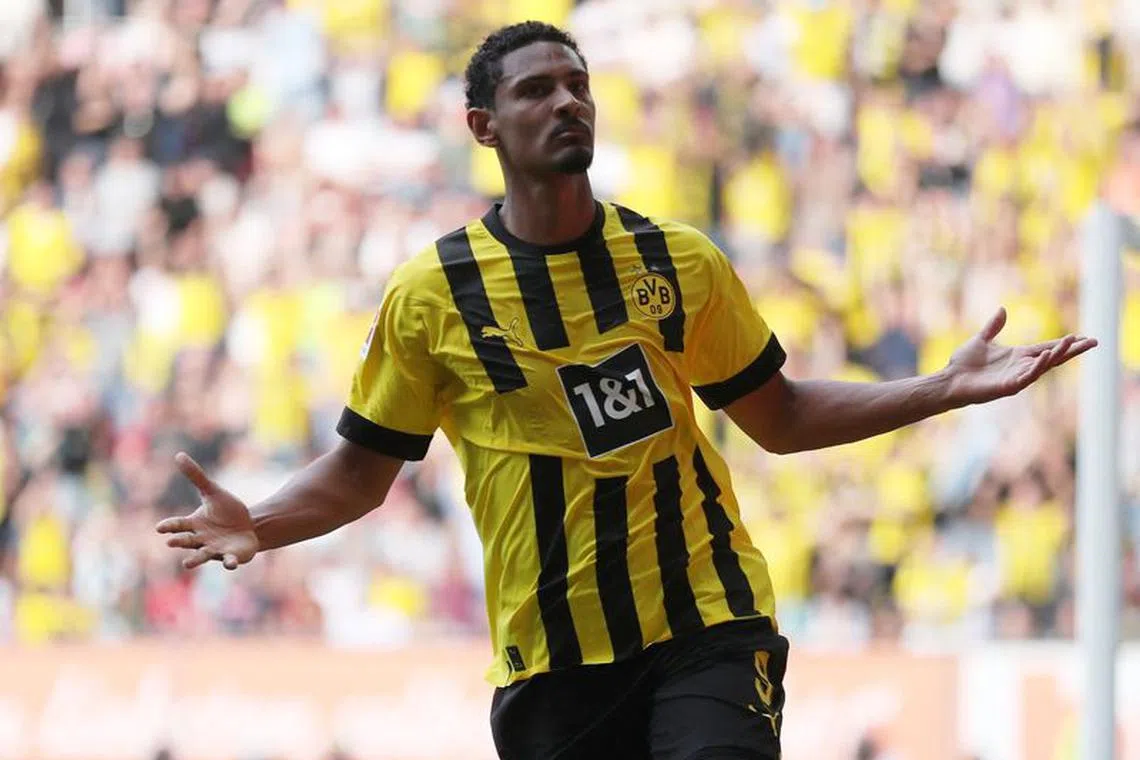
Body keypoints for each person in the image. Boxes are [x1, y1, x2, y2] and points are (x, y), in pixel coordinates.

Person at [156, 22, 1097, 760]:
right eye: (537, 91)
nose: (567, 103)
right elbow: (363, 476)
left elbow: (783, 416)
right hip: (551, 662)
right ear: (483, 127)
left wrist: (941, 387)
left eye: (579, 87)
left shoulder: (676, 262)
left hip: (708, 623)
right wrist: (263, 524)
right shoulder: (431, 297)